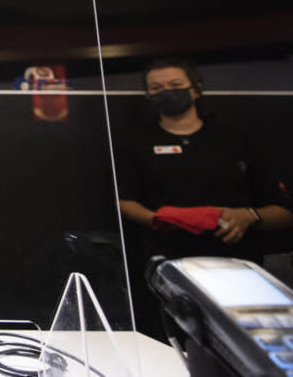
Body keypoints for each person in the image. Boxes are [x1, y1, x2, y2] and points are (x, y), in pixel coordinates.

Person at [116, 58, 293, 335]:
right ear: (148, 95)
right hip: (168, 266)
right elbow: (123, 201)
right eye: (156, 87)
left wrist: (248, 217)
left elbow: (281, 210)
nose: (166, 92)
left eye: (175, 85)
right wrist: (164, 219)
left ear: (196, 89)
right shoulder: (135, 142)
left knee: (238, 341)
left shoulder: (234, 137)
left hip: (237, 266)